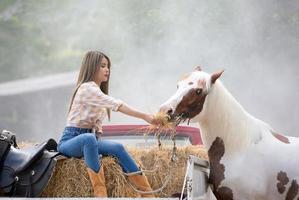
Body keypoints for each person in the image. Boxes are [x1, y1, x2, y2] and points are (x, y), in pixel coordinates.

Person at [57, 51, 154, 197]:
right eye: (103, 66)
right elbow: (118, 105)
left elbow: (97, 128)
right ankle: (101, 195)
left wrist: (97, 138)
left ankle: (148, 194)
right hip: (70, 141)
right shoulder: (87, 88)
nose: (107, 69)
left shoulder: (97, 93)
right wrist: (144, 116)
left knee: (117, 147)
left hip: (89, 141)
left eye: (108, 66)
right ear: (92, 67)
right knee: (89, 139)